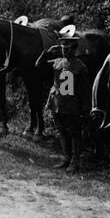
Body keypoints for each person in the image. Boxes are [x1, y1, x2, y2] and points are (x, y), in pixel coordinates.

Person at [46, 38, 90, 172]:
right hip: (57, 103)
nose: (66, 51)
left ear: (75, 49)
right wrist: (48, 52)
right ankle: (66, 158)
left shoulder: (81, 67)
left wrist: (86, 108)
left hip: (72, 105)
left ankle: (75, 161)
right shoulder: (58, 62)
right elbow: (38, 64)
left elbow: (85, 90)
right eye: (64, 48)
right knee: (62, 131)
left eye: (69, 49)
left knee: (75, 133)